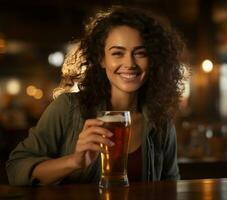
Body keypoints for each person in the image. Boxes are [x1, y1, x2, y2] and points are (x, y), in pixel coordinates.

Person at [6, 6, 186, 185]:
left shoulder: (160, 121)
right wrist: (74, 161)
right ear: (101, 59)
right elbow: (15, 169)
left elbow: (170, 184)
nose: (129, 63)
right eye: (117, 53)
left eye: (140, 53)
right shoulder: (67, 108)